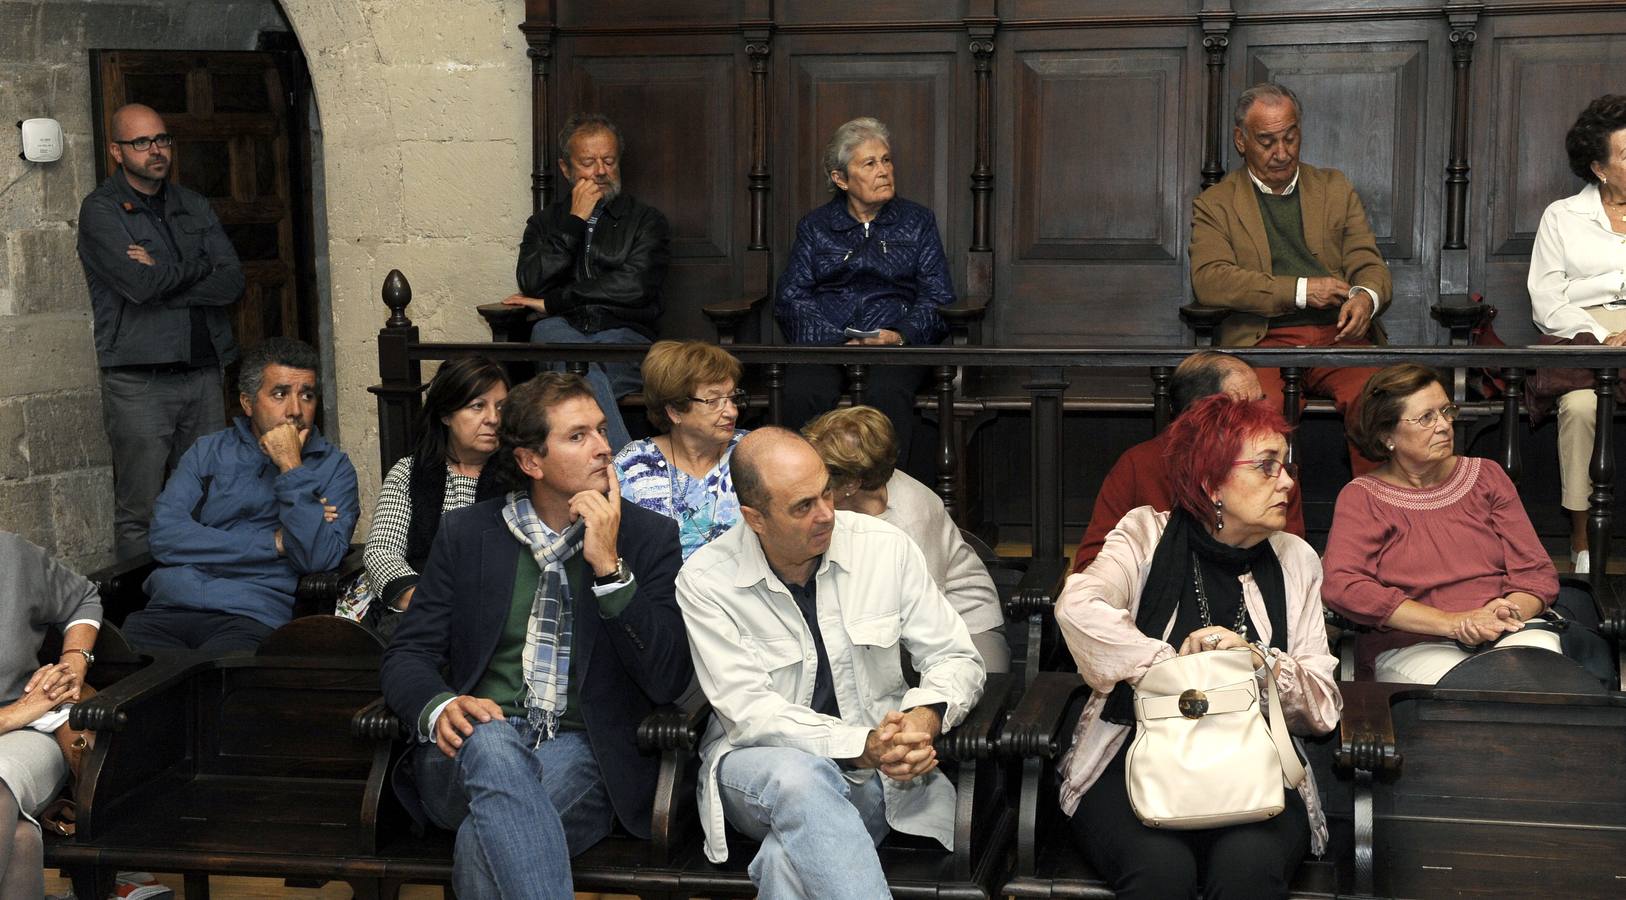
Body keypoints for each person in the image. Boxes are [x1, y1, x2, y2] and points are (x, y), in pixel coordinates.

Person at [381, 373, 690, 900]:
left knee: (483, 841)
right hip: (462, 754)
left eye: (599, 430)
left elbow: (667, 679)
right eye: (579, 436)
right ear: (530, 462)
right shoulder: (469, 535)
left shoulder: (645, 537)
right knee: (493, 735)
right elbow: (408, 653)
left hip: (583, 750)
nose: (603, 447)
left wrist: (611, 570)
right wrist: (439, 706)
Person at [676, 428, 985, 898]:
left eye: (826, 493)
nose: (826, 515)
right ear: (754, 518)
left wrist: (922, 719)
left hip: (870, 776)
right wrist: (862, 744)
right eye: (802, 506)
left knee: (786, 860)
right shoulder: (706, 582)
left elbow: (954, 655)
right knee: (802, 777)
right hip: (756, 771)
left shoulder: (884, 547)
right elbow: (750, 713)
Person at [1053, 395, 1340, 900]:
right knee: (1159, 872)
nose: (1288, 483)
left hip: (1256, 763)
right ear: (1212, 484)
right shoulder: (1144, 536)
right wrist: (1171, 668)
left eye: (1286, 465)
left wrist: (1254, 660)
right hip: (1133, 753)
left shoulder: (1295, 559)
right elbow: (1077, 607)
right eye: (1267, 467)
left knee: (1247, 871)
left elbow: (1321, 705)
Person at [1322, 364, 1590, 684]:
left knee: (1547, 680)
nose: (1445, 426)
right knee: (1470, 692)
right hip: (1415, 643)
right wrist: (1452, 623)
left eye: (1446, 411)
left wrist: (1506, 612)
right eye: (1426, 418)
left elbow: (1536, 574)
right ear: (1386, 436)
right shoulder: (1363, 498)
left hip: (1508, 632)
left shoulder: (1486, 477)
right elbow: (1344, 587)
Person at [1190, 82, 1392, 475]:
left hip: (1341, 337)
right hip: (1263, 342)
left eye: (1290, 137)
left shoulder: (1334, 188)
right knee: (1257, 427)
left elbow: (1369, 263)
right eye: (1266, 141)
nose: (1281, 153)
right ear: (1240, 140)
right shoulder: (1216, 205)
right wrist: (1300, 291)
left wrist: (1366, 297)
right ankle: (1278, 535)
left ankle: (1380, 531)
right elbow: (1210, 280)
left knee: (1383, 409)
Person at [77, 102, 245, 561]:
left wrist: (166, 274)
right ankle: (140, 619)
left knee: (211, 497)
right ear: (116, 150)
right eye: (142, 142)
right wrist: (195, 272)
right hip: (139, 381)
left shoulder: (192, 204)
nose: (156, 150)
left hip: (203, 372)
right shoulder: (101, 211)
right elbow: (138, 285)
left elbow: (232, 281)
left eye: (162, 139)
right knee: (142, 508)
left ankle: (204, 601)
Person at [123, 337, 359, 653]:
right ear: (248, 403)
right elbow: (165, 536)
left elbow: (316, 557)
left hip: (251, 616)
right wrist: (274, 543)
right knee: (119, 678)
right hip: (170, 607)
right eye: (280, 394)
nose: (295, 410)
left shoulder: (334, 468)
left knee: (212, 684)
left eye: (307, 395)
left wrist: (291, 467)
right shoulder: (206, 452)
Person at [774, 116, 955, 464]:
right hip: (828, 345)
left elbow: (938, 295)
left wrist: (898, 335)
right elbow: (791, 297)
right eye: (869, 163)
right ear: (840, 179)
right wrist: (837, 340)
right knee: (801, 391)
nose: (883, 170)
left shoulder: (917, 221)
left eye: (886, 160)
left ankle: (883, 496)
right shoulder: (815, 227)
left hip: (894, 347)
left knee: (887, 393)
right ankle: (804, 490)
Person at [505, 113, 672, 452]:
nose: (600, 171)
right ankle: (625, 471)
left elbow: (635, 287)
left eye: (609, 161)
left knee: (572, 381)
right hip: (560, 332)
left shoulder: (646, 221)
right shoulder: (544, 223)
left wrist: (556, 301)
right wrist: (575, 222)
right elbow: (531, 280)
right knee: (556, 341)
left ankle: (605, 473)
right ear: (566, 170)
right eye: (588, 162)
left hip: (623, 336)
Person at [802, 405, 1009, 673]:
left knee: (974, 691)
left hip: (962, 624)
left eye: (821, 475)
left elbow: (928, 617)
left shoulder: (911, 518)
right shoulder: (843, 499)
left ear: (852, 484)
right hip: (873, 624)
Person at [1068, 350, 1306, 574]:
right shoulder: (1140, 465)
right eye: (1243, 409)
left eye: (1261, 402)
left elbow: (1291, 565)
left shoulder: (1275, 473)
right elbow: (1091, 568)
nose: (1260, 415)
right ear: (1200, 416)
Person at [342, 355, 511, 641]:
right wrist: (428, 602)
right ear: (445, 414)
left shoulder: (519, 477)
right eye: (477, 406)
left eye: (501, 407)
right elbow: (382, 552)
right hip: (421, 611)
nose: (493, 418)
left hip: (495, 612)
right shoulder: (410, 472)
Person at [1527, 94, 1626, 574]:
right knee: (1581, 406)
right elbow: (1547, 302)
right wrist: (1599, 333)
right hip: (1585, 337)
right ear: (1600, 167)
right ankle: (1583, 534)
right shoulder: (1562, 217)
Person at [0, 532, 99, 900]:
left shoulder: (9, 553)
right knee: (21, 840)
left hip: (26, 735)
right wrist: (11, 715)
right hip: (17, 717)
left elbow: (83, 599)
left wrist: (74, 660)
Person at [613, 340, 747, 559]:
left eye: (732, 398)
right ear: (675, 411)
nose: (731, 411)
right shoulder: (633, 466)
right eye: (713, 401)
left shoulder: (752, 453)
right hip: (663, 590)